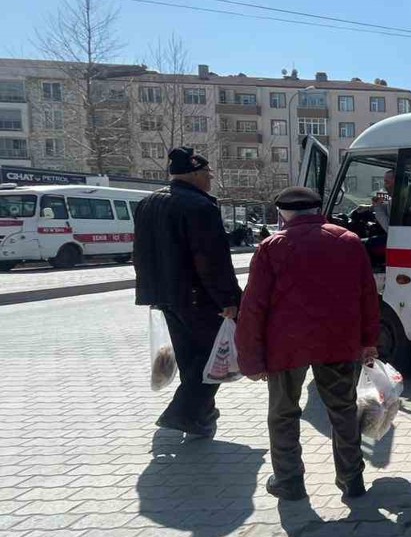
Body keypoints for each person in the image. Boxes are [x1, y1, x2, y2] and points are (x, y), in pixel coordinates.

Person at [235, 186, 381, 501]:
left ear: (283, 213)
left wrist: (250, 359)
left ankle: (289, 482)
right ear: (318, 210)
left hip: (286, 346)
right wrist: (369, 340)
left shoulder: (271, 246)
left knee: (283, 413)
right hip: (338, 342)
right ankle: (352, 479)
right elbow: (368, 295)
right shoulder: (348, 241)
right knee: (342, 409)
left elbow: (253, 307)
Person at [133, 147, 242, 438]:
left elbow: (140, 254)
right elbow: (212, 260)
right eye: (208, 173)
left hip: (163, 295)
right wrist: (230, 300)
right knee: (214, 358)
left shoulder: (147, 203)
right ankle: (182, 412)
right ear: (194, 174)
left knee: (189, 356)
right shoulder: (200, 207)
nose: (210, 179)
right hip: (198, 297)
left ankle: (201, 412)